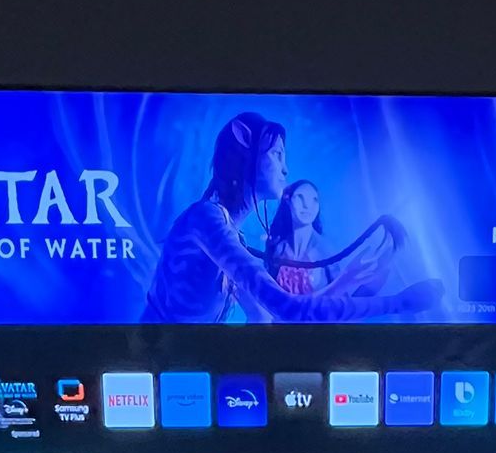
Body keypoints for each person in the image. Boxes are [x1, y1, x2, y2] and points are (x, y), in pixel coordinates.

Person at [141, 112, 439, 325]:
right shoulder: (206, 219)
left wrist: (344, 282)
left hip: (187, 372)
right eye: (277, 154)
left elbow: (266, 317)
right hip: (156, 368)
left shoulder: (233, 237)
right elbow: (289, 310)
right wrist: (399, 303)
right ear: (247, 153)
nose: (285, 169)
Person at [265, 180, 334, 297]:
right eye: (300, 197)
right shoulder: (276, 246)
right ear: (288, 201)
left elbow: (342, 294)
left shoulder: (325, 250)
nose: (307, 206)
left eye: (314, 200)